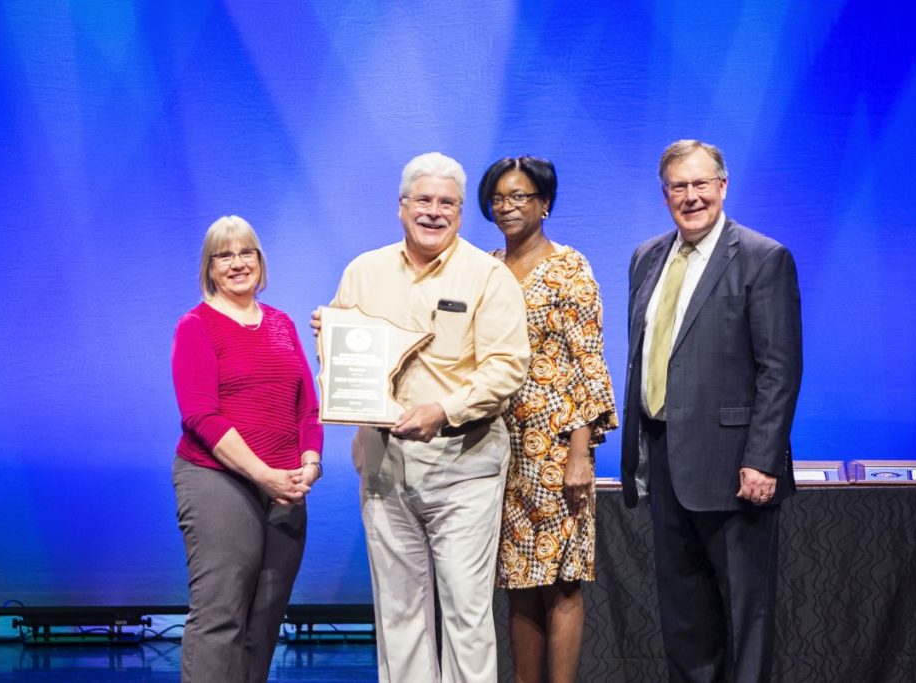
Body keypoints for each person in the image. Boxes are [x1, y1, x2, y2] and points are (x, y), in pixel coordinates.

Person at [314, 152, 530, 682]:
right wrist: (331, 341)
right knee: (398, 611)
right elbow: (343, 364)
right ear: (401, 206)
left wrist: (445, 410)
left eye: (447, 203)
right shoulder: (363, 272)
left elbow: (508, 367)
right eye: (424, 200)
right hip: (385, 465)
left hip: (464, 462)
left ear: (460, 211)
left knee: (466, 612)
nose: (434, 212)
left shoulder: (488, 276)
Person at [620, 140, 803, 683]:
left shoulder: (762, 257)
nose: (691, 196)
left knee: (747, 615)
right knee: (684, 618)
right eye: (679, 186)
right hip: (663, 458)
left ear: (723, 187)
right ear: (664, 194)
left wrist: (763, 460)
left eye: (702, 184)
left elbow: (780, 369)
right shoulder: (646, 256)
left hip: (735, 468)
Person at [477, 156, 617, 683]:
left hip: (557, 446)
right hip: (496, 445)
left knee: (560, 580)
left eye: (520, 196)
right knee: (517, 580)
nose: (508, 206)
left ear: (545, 203)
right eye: (498, 197)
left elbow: (588, 362)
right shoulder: (486, 267)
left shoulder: (569, 266)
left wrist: (581, 454)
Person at [171, 215, 323, 683]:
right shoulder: (196, 325)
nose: (238, 263)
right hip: (218, 479)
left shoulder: (280, 323)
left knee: (265, 615)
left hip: (285, 484)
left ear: (260, 260)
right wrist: (263, 474)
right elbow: (201, 416)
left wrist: (309, 464)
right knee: (222, 613)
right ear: (209, 267)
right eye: (225, 255)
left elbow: (307, 407)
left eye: (247, 253)